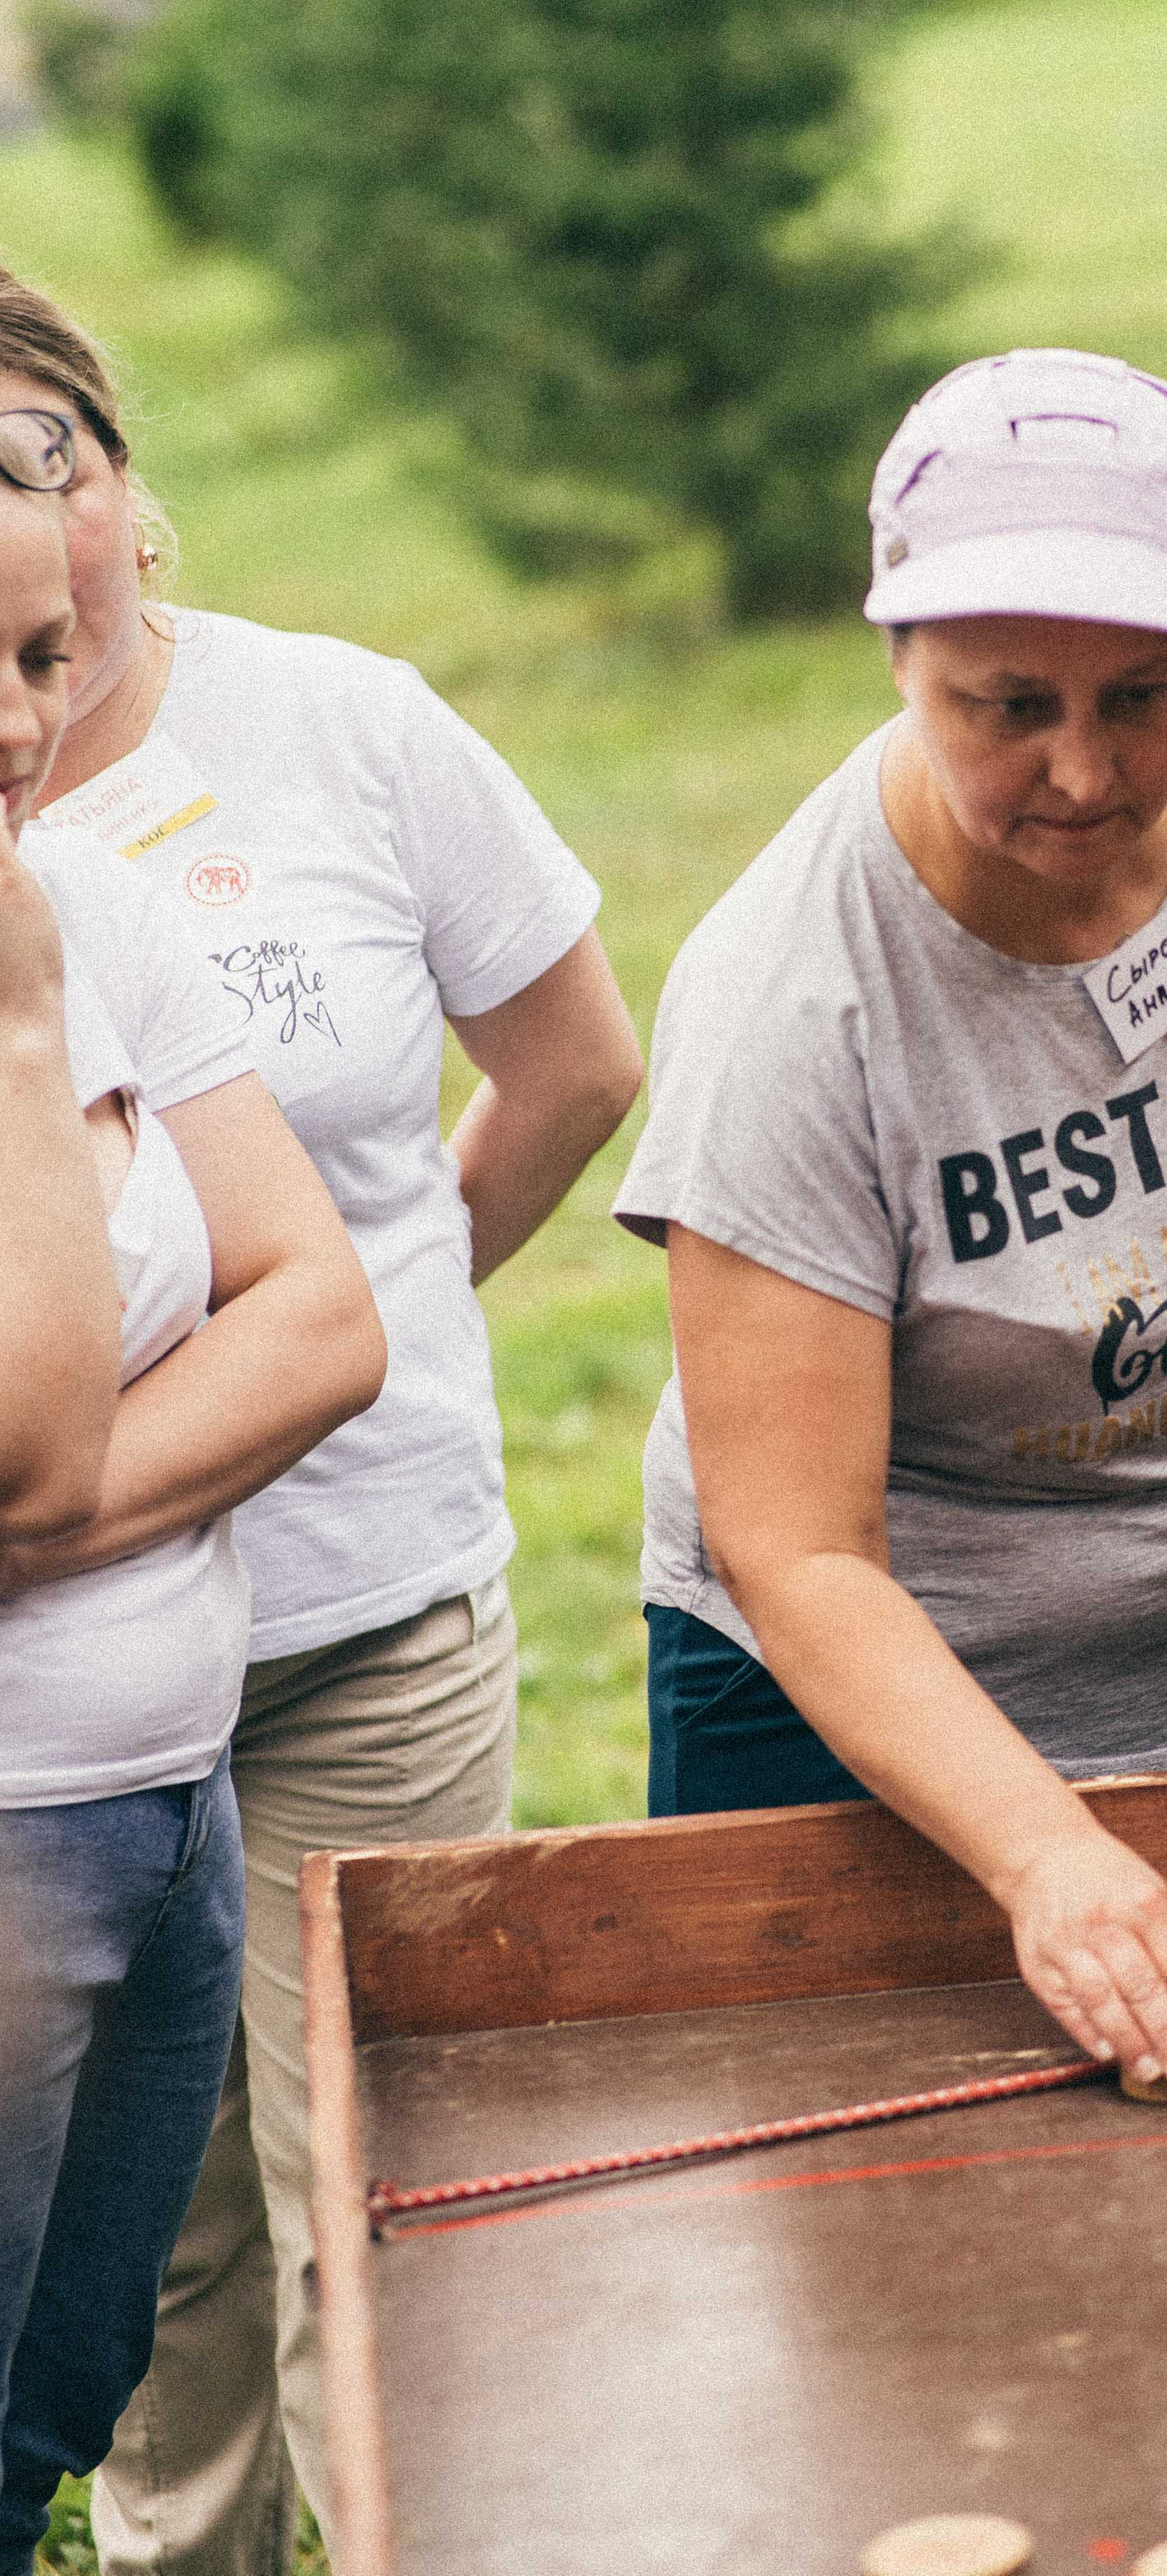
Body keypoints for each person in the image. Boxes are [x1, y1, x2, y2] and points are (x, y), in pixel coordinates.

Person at [614, 348, 1167, 2087]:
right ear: (897, 659)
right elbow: (795, 1550)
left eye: (1144, 699)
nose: (1083, 773)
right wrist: (1041, 1852)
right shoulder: (790, 1002)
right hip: (855, 1726)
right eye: (1007, 706)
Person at [0, 275, 647, 2573]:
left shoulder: (341, 730)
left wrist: (353, 1328)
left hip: (367, 1611)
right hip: (76, 1728)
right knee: (165, 2247)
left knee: (363, 2191)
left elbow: (574, 1069)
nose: (34, 514)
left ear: (124, 484)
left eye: (55, 450)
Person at [0, 468, 384, 2576]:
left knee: (59, 2413)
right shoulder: (37, 962)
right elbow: (34, 1424)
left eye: (47, 656)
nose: (15, 725)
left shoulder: (88, 894)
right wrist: (29, 1028)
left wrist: (39, 1530)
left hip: (169, 1800)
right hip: (14, 1830)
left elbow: (321, 1320)